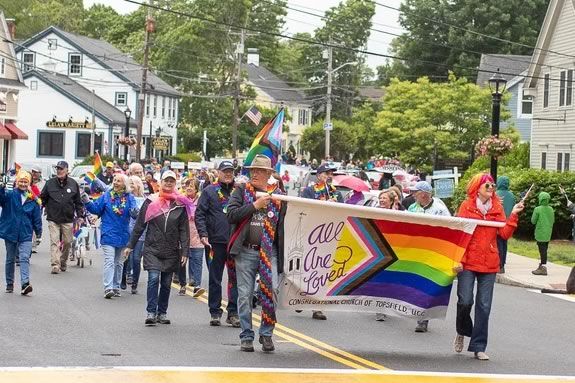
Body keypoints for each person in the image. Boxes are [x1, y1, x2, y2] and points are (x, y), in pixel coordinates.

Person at [454, 173, 524, 361]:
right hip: (468, 261)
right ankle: (462, 330)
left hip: (490, 262)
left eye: (492, 186)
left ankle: (478, 346)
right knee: (465, 301)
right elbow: (460, 235)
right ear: (477, 188)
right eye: (487, 186)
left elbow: (504, 233)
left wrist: (514, 215)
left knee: (484, 306)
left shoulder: (497, 207)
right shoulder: (466, 206)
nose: (491, 188)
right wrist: (459, 259)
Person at [227, 154, 286, 352]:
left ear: (269, 174)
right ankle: (246, 335)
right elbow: (231, 215)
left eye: (260, 171)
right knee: (244, 295)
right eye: (253, 170)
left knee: (272, 291)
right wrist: (254, 206)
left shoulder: (279, 196)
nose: (255, 174)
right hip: (246, 251)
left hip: (270, 252)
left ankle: (267, 333)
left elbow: (289, 222)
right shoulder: (242, 191)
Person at [124, 170, 191, 325]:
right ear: (160, 182)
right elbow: (140, 225)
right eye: (166, 180)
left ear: (175, 184)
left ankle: (162, 312)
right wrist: (130, 245)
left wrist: (185, 252)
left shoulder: (180, 204)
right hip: (152, 247)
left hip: (171, 250)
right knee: (154, 278)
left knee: (166, 283)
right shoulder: (151, 201)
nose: (168, 183)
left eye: (171, 181)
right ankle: (151, 312)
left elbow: (184, 230)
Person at [195, 160, 240, 327]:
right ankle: (215, 311)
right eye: (225, 171)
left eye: (230, 171)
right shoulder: (209, 191)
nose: (228, 174)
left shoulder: (239, 191)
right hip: (214, 242)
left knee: (235, 278)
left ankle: (233, 312)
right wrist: (203, 234)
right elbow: (200, 214)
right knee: (215, 278)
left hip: (235, 241)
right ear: (218, 173)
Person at [83, 173, 137, 299]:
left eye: (119, 181)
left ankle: (116, 286)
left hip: (123, 235)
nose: (115, 183)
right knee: (109, 261)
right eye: (114, 180)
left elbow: (134, 213)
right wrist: (87, 201)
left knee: (118, 263)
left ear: (124, 184)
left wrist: (135, 212)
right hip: (108, 233)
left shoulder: (130, 197)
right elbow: (96, 209)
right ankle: (108, 288)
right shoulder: (106, 195)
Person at [300, 163, 343, 320]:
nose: (329, 176)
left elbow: (343, 212)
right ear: (318, 176)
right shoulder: (309, 191)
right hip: (311, 236)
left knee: (322, 272)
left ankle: (317, 307)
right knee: (306, 270)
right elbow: (303, 209)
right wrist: (322, 205)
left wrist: (334, 205)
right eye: (326, 173)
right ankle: (301, 297)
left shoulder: (336, 193)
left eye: (331, 173)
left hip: (329, 237)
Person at [407, 181, 451, 333]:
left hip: (434, 252)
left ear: (424, 194)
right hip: (417, 252)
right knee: (417, 284)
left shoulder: (440, 209)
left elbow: (450, 228)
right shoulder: (412, 208)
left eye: (415, 192)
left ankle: (423, 319)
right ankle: (419, 314)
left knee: (428, 285)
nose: (412, 195)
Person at [0, 171, 42, 295]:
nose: (23, 184)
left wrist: (39, 232)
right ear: (17, 182)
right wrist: (1, 187)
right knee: (10, 259)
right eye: (21, 181)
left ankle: (25, 284)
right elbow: (1, 199)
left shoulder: (33, 200)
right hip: (11, 231)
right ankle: (9, 284)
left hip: (26, 233)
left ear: (29, 184)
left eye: (26, 182)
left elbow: (36, 218)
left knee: (24, 258)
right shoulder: (10, 195)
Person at [40, 161, 84, 274]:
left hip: (67, 219)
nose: (59, 170)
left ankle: (63, 261)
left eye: (61, 168)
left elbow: (78, 202)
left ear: (67, 170)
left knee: (68, 242)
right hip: (53, 218)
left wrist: (80, 216)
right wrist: (45, 207)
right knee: (54, 241)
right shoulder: (49, 183)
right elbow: (42, 197)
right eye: (57, 168)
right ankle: (55, 264)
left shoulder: (73, 184)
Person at [180, 177, 206, 298]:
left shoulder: (201, 201)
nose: (189, 188)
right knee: (182, 262)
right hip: (183, 235)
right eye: (187, 185)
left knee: (197, 261)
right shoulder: (181, 200)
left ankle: (197, 285)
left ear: (196, 189)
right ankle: (182, 284)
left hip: (197, 234)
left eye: (192, 185)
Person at [127, 176, 146, 295]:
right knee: (127, 257)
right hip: (127, 231)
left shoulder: (145, 200)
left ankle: (135, 283)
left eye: (133, 183)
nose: (131, 186)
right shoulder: (127, 198)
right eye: (129, 184)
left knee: (136, 259)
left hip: (140, 234)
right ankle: (126, 276)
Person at [531, 192, 555, 276]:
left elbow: (533, 221)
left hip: (540, 232)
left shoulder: (537, 209)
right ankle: (542, 265)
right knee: (545, 249)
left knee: (542, 250)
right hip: (548, 232)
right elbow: (553, 221)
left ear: (540, 199)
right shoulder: (551, 209)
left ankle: (543, 268)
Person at [495, 176, 515, 274]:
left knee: (498, 244)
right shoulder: (511, 195)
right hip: (508, 223)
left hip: (498, 223)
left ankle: (500, 265)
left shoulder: (495, 195)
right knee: (504, 243)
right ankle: (503, 263)